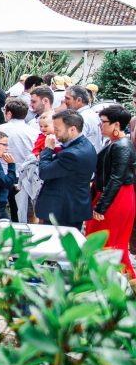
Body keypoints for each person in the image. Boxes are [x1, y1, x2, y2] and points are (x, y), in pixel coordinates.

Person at [88, 105, 136, 279]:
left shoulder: (122, 145)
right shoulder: (117, 143)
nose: (100, 126)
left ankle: (118, 283)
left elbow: (116, 178)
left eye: (103, 122)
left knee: (108, 242)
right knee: (109, 243)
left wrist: (101, 207)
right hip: (114, 196)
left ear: (116, 125)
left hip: (116, 198)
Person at [36, 110, 98, 228]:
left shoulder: (73, 154)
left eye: (58, 129)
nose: (54, 132)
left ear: (72, 129)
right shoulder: (85, 144)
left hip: (63, 210)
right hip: (69, 207)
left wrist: (48, 150)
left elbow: (44, 172)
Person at [0, 98, 38, 221]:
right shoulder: (34, 133)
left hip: (0, 174)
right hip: (22, 176)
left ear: (9, 113)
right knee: (20, 212)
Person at [63, 85, 103, 150]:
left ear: (79, 100)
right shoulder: (91, 113)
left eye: (67, 98)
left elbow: (75, 145)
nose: (64, 101)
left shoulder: (82, 118)